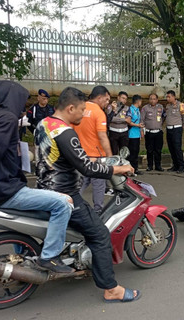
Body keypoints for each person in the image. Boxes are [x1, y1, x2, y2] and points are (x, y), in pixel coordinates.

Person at [35, 86, 140, 303]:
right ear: (71, 108)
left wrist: (99, 161)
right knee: (100, 235)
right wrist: (118, 169)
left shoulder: (44, 124)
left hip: (44, 190)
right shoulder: (66, 132)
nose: (84, 114)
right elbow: (87, 169)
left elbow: (69, 160)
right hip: (65, 196)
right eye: (82, 110)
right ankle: (111, 289)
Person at [0, 80, 75, 274]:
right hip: (7, 190)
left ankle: (23, 258)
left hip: (3, 186)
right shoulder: (8, 119)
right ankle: (50, 257)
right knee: (63, 204)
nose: (23, 106)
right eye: (22, 101)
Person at [76, 86, 113, 215]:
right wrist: (109, 157)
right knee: (98, 185)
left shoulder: (79, 109)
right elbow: (102, 136)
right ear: (99, 97)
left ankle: (72, 208)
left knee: (79, 184)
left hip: (79, 155)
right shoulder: (98, 112)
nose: (107, 103)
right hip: (96, 156)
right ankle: (98, 212)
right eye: (106, 99)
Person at [165, 90, 184, 174]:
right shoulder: (168, 106)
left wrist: (182, 125)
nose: (167, 98)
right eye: (167, 97)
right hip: (169, 129)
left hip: (177, 128)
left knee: (177, 148)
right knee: (171, 148)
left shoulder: (180, 105)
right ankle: (175, 165)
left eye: (169, 97)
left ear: (174, 97)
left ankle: (181, 165)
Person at [140, 93, 165, 172]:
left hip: (158, 132)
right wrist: (142, 130)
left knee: (158, 150)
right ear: (149, 100)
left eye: (154, 99)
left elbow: (164, 117)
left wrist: (159, 124)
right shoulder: (145, 108)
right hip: (149, 132)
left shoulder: (161, 107)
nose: (152, 100)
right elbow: (142, 120)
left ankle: (158, 166)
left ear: (157, 100)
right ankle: (149, 166)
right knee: (149, 150)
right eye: (151, 98)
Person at [125, 94, 144, 175]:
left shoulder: (137, 110)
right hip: (131, 134)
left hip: (137, 134)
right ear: (138, 101)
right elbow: (128, 121)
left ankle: (135, 168)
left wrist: (140, 131)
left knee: (136, 152)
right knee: (132, 153)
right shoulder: (130, 109)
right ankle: (130, 169)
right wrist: (138, 126)